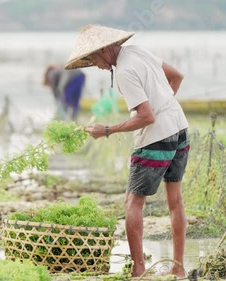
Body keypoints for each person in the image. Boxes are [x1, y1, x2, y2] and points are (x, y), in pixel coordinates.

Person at [65, 25, 189, 278]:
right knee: (175, 201)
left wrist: (107, 130)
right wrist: (163, 104)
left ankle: (138, 269)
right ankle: (178, 269)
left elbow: (146, 117)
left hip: (156, 139)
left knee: (133, 203)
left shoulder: (123, 71)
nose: (95, 65)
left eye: (92, 59)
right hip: (180, 129)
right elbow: (177, 77)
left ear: (105, 49)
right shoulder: (138, 51)